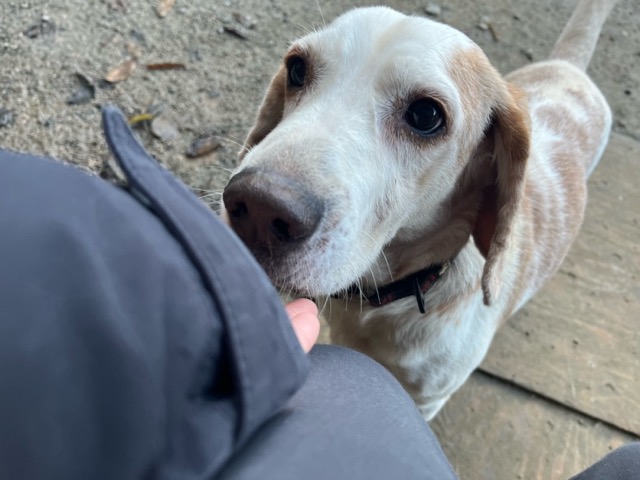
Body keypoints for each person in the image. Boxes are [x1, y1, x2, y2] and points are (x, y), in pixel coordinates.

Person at [0, 106, 636, 480]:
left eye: (423, 117)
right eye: (303, 75)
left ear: (484, 179)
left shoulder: (453, 335)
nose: (262, 192)